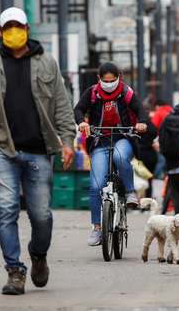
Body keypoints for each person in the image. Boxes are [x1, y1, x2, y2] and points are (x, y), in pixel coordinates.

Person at [0, 7, 75, 295]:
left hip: (39, 150)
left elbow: (62, 106)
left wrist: (67, 141)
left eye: (19, 26)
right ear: (1, 32)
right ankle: (15, 270)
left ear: (27, 29)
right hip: (1, 149)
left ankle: (38, 254)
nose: (14, 31)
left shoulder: (47, 63)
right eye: (8, 27)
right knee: (5, 209)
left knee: (41, 215)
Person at [74, 62, 149, 246]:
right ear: (99, 79)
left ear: (119, 78)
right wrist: (81, 122)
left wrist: (142, 123)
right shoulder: (92, 92)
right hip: (100, 139)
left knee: (119, 156)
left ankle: (130, 192)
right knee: (95, 185)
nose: (109, 83)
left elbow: (141, 110)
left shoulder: (126, 92)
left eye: (112, 80)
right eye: (105, 80)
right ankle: (97, 228)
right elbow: (78, 109)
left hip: (123, 137)